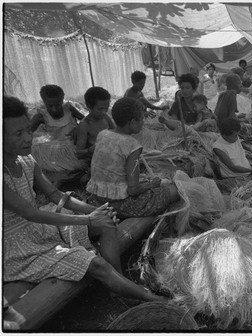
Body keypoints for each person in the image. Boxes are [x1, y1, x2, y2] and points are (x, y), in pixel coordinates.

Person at [3, 96, 167, 303]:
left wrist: (97, 212)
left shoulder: (27, 160)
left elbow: (56, 195)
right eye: (18, 133)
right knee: (96, 264)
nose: (28, 138)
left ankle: (119, 283)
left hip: (40, 229)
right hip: (17, 247)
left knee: (107, 223)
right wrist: (89, 219)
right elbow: (31, 214)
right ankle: (151, 298)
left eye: (28, 130)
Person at [86, 97, 180, 218]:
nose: (143, 122)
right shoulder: (132, 145)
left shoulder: (103, 134)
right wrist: (152, 184)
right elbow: (133, 190)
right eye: (142, 119)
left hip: (97, 199)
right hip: (119, 205)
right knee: (174, 190)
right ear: (132, 122)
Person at [75, 86, 115, 161]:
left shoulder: (105, 117)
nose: (103, 112)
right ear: (89, 106)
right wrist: (90, 150)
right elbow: (78, 153)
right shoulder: (85, 125)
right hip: (96, 160)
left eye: (106, 108)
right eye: (100, 109)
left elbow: (116, 133)